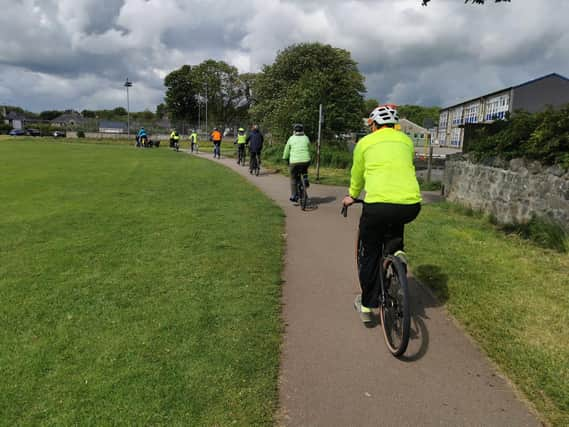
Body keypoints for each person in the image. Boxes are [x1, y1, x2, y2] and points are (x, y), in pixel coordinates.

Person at [342, 104, 422, 325]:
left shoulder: (364, 143)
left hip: (377, 206)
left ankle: (367, 306)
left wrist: (352, 195)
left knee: (369, 254)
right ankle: (397, 254)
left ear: (374, 124)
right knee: (395, 231)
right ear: (394, 125)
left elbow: (357, 174)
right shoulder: (406, 141)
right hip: (410, 205)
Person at [282, 124, 311, 203]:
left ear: (294, 131)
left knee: (293, 178)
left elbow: (286, 150)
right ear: (302, 130)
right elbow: (309, 148)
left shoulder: (291, 138)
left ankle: (294, 195)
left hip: (294, 162)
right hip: (306, 160)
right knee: (304, 170)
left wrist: (285, 158)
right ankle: (305, 179)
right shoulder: (306, 137)